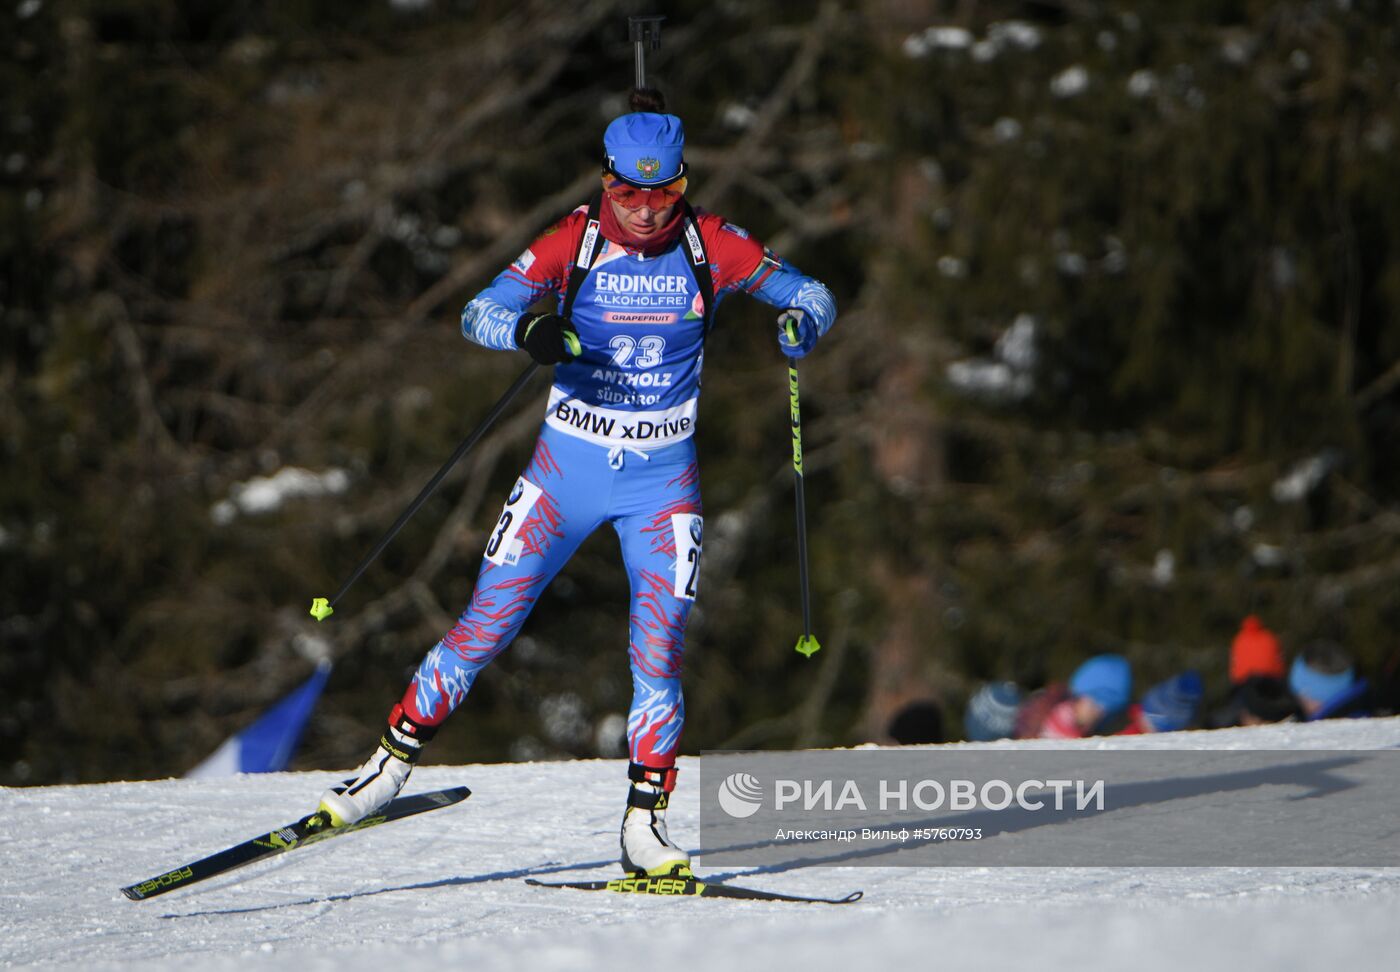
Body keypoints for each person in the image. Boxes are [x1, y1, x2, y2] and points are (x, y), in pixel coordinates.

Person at [315, 89, 837, 879]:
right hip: (566, 473)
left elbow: (809, 291)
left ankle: (644, 826)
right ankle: (386, 768)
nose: (645, 211)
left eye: (664, 193)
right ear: (604, 181)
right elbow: (478, 311)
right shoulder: (573, 241)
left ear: (685, 185)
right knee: (486, 624)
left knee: (659, 654)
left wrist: (802, 320)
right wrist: (529, 328)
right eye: (628, 191)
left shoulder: (712, 246)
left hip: (663, 487)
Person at [1036, 654, 1132, 739]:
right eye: (1095, 702)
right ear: (1079, 696)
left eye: (1107, 710)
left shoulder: (1095, 734)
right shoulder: (1040, 718)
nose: (1099, 713)